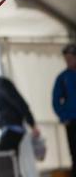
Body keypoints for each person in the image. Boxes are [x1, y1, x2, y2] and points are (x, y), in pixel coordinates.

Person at [52, 43, 76, 177]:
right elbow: (56, 100)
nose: (68, 61)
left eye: (71, 58)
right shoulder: (63, 78)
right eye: (66, 59)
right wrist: (63, 116)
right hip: (72, 121)